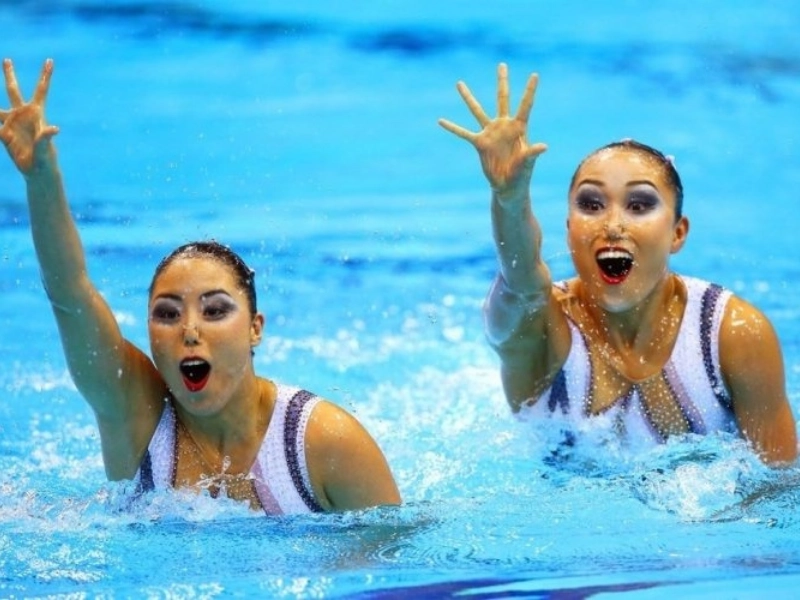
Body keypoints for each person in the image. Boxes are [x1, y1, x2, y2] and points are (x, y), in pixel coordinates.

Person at [0, 58, 401, 513]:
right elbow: (70, 295)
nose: (189, 329)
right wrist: (42, 178)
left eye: (214, 310)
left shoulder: (325, 445)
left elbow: (396, 554)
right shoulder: (135, 418)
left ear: (255, 328)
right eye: (167, 313)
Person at [439, 63, 797, 465]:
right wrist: (510, 197)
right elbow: (519, 281)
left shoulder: (733, 335)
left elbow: (777, 485)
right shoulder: (540, 330)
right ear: (569, 230)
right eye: (591, 204)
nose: (612, 225)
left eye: (639, 205)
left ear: (678, 233)